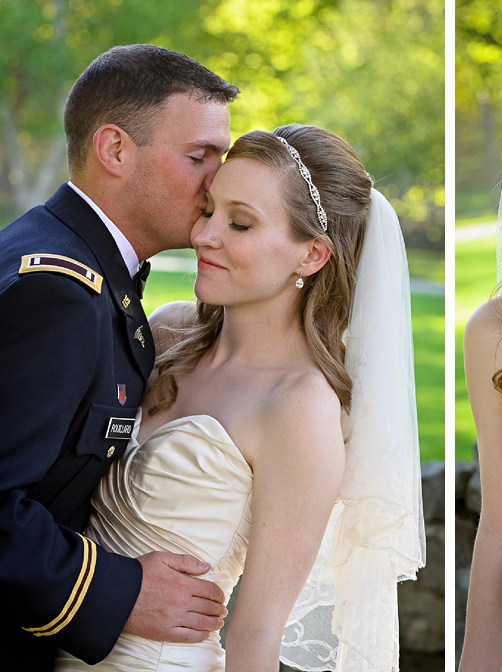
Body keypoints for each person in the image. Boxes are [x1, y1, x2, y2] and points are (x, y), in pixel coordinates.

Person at [53, 124, 425, 672]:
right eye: (209, 211)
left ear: (312, 255)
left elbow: (255, 632)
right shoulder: (165, 336)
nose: (205, 235)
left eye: (241, 223)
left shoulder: (300, 407)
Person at [0, 44, 237, 672]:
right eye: (198, 157)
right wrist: (116, 592)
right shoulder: (58, 290)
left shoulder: (80, 266)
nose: (220, 180)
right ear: (115, 150)